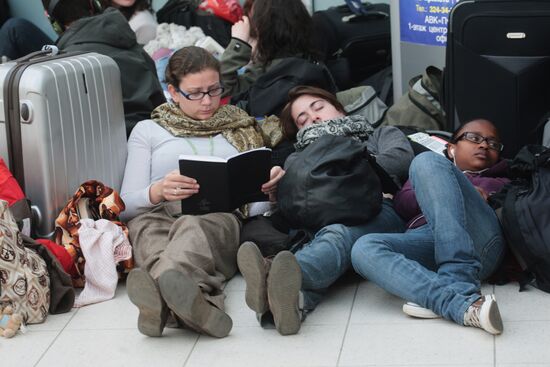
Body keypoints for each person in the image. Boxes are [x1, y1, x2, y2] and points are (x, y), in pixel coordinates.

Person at [120, 46, 284, 338]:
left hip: (216, 215)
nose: (207, 101)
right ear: (172, 91)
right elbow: (126, 206)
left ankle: (160, 305)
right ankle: (202, 308)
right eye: (195, 93)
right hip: (155, 214)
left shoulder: (240, 126)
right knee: (149, 236)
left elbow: (255, 211)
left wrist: (269, 192)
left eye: (214, 90)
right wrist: (157, 191)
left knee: (194, 226)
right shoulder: (148, 130)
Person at [237, 85, 414, 335]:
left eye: (318, 107)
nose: (314, 117)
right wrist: (279, 189)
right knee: (330, 235)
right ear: (299, 131)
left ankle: (271, 276)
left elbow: (400, 159)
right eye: (303, 119)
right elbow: (294, 206)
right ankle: (291, 301)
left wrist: (340, 162)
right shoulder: (297, 159)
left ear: (339, 108)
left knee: (338, 234)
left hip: (379, 209)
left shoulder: (379, 135)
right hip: (320, 222)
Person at [351, 118, 509, 335]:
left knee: (425, 160)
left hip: (481, 241)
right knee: (363, 249)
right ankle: (459, 305)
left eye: (492, 144)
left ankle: (460, 280)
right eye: (474, 138)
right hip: (431, 240)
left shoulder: (502, 180)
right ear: (452, 148)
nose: (483, 145)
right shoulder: (429, 169)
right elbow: (402, 203)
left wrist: (483, 196)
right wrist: (440, 187)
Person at [42, 0, 165, 136]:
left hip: (106, 149)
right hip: (150, 139)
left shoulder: (61, 69)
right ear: (95, 4)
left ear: (54, 23)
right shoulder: (132, 45)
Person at [220, 0, 320, 99]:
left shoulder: (267, 72)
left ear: (264, 28)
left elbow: (222, 87)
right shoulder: (312, 60)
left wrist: (238, 43)